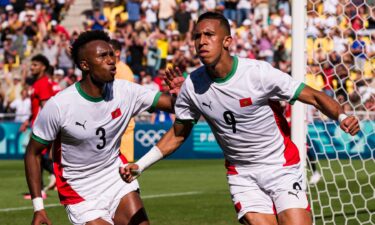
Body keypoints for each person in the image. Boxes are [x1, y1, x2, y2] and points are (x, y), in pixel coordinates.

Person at [121, 12, 360, 225]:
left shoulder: (257, 74)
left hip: (281, 166)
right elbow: (178, 133)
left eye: (209, 35)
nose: (201, 41)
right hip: (243, 176)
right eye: (197, 36)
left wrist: (342, 116)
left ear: (227, 41)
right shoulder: (191, 86)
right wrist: (140, 165)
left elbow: (314, 96)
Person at [24, 30, 176, 225]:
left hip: (115, 178)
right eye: (103, 56)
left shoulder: (126, 91)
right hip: (79, 190)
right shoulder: (59, 105)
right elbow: (33, 153)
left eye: (111, 54)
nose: (111, 60)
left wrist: (179, 94)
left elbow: (173, 103)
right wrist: (39, 208)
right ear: (85, 65)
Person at [21, 54, 56, 200]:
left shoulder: (42, 84)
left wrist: (45, 127)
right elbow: (37, 108)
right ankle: (41, 189)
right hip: (38, 125)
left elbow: (45, 106)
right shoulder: (38, 83)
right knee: (38, 157)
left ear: (43, 67)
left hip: (41, 127)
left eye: (35, 65)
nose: (32, 67)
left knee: (33, 156)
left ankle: (42, 188)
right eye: (32, 64)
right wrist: (28, 121)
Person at [109, 39, 136, 162]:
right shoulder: (111, 68)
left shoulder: (124, 71)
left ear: (117, 53)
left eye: (109, 52)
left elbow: (125, 100)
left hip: (122, 123)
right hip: (114, 121)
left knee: (124, 164)